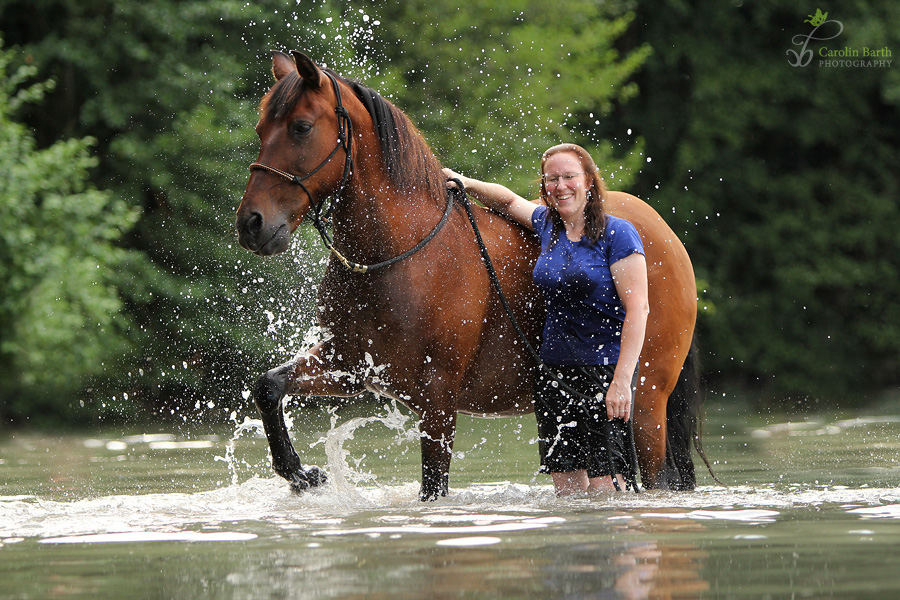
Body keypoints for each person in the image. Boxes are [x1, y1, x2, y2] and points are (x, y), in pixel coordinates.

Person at [444, 143, 649, 496]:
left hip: (602, 373)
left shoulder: (618, 234)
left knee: (608, 488)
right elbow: (508, 202)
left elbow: (638, 310)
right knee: (566, 488)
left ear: (589, 182)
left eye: (569, 176)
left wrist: (621, 381)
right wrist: (467, 182)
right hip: (553, 373)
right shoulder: (547, 225)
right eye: (552, 179)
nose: (560, 185)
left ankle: (618, 550)